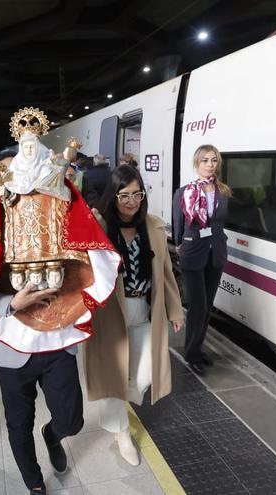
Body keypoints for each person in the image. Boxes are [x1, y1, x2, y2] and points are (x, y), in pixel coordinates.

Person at [0, 107, 120, 495]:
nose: (32, 200)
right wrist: (9, 305)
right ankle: (34, 483)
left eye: (40, 194)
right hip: (11, 347)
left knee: (73, 419)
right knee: (18, 423)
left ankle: (54, 433)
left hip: (56, 338)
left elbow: (90, 252)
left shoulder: (62, 220)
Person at [87, 166, 184, 466]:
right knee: (115, 376)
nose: (132, 202)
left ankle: (115, 401)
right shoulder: (100, 226)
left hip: (143, 308)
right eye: (124, 195)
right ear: (112, 196)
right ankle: (121, 431)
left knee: (143, 374)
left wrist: (174, 310)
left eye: (137, 195)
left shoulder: (152, 226)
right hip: (109, 314)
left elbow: (166, 274)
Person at [171, 144, 232, 376]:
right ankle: (191, 353)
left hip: (215, 252)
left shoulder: (223, 191)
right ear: (197, 163)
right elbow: (178, 222)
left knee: (207, 307)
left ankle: (197, 347)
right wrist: (179, 244)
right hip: (193, 252)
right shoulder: (184, 191)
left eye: (214, 160)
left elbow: (220, 221)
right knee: (198, 306)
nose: (210, 165)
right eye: (205, 160)